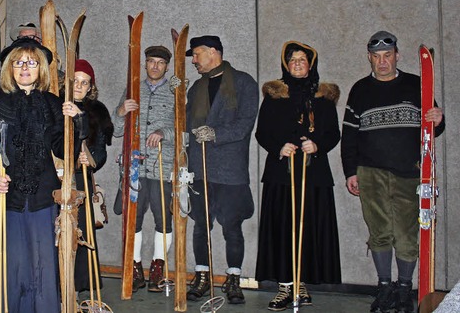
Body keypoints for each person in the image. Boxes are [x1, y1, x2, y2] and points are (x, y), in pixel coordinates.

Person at [0, 37, 87, 312]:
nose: (25, 68)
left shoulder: (52, 103)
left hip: (40, 198)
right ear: (9, 68)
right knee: (7, 264)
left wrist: (76, 121)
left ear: (41, 68)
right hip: (4, 197)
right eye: (19, 62)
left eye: (32, 62)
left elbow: (63, 148)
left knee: (40, 264)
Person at [341, 31, 445, 313]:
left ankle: (404, 289)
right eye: (376, 57)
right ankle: (384, 287)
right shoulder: (360, 89)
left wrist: (439, 118)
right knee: (379, 232)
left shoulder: (416, 85)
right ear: (369, 58)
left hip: (409, 172)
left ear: (397, 55)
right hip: (370, 172)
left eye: (387, 55)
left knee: (407, 233)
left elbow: (433, 126)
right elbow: (349, 135)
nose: (382, 62)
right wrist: (350, 171)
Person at [254, 41, 342, 311]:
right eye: (292, 60)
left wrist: (317, 145)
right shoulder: (274, 96)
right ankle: (284, 287)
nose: (297, 64)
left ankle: (301, 285)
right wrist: (279, 147)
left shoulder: (323, 98)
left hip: (313, 175)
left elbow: (333, 134)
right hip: (282, 174)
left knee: (308, 227)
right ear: (285, 64)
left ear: (311, 64)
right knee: (283, 228)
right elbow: (262, 132)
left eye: (302, 59)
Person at [185, 35, 258, 304]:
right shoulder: (195, 88)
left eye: (197, 54)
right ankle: (202, 276)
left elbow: (246, 123)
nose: (194, 60)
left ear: (214, 52)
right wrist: (177, 94)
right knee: (200, 227)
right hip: (199, 168)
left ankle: (234, 279)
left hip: (230, 170)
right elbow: (184, 123)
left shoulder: (243, 82)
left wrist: (215, 133)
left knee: (232, 228)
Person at [112, 45, 175, 292]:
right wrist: (120, 111)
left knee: (164, 220)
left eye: (160, 62)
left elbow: (186, 131)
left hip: (162, 166)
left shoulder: (176, 92)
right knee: (133, 220)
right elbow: (116, 130)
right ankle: (135, 268)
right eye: (151, 61)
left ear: (167, 66)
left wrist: (164, 133)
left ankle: (158, 268)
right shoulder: (132, 89)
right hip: (134, 167)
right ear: (145, 64)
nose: (155, 66)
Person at [67, 59, 113, 297]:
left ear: (90, 87)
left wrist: (91, 159)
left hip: (82, 177)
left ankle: (77, 286)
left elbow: (101, 151)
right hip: (57, 180)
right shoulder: (56, 105)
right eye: (76, 81)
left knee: (81, 232)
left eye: (84, 83)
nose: (79, 86)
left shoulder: (97, 111)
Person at [0, 22, 42, 90]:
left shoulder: (55, 76)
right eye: (22, 38)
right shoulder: (2, 76)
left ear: (40, 41)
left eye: (30, 37)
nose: (26, 41)